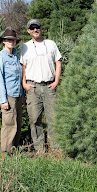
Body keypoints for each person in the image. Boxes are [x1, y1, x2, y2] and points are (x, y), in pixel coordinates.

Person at [20, 19, 62, 151]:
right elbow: (23, 67)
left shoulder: (50, 44)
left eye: (37, 27)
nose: (35, 30)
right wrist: (24, 84)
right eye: (32, 28)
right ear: (28, 31)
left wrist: (56, 81)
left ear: (41, 28)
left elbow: (58, 62)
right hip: (32, 87)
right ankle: (40, 149)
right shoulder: (25, 47)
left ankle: (55, 148)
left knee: (53, 118)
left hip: (49, 86)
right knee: (34, 119)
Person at [0, 30, 24, 157]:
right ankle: (5, 153)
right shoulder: (0, 57)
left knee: (17, 122)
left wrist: (22, 95)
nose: (11, 42)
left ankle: (14, 150)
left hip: (17, 94)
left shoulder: (16, 57)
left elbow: (20, 76)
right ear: (4, 42)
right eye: (8, 40)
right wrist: (3, 100)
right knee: (8, 124)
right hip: (8, 95)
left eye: (13, 40)